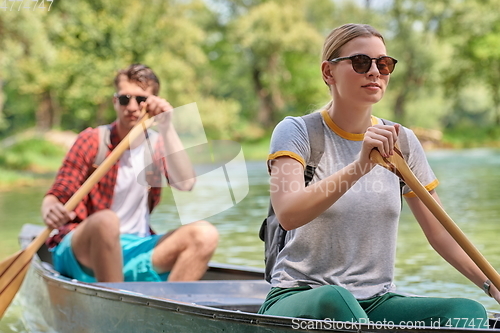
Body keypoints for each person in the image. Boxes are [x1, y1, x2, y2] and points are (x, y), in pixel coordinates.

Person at [258, 23, 498, 328]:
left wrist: (491, 285)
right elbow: (289, 214)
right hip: (300, 297)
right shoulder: (297, 131)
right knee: (337, 299)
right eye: (361, 62)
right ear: (328, 73)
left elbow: (440, 233)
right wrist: (361, 165)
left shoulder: (402, 140)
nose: (374, 72)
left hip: (377, 302)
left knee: (467, 313)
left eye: (383, 64)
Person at [41, 64, 219, 283]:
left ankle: (167, 313)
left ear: (152, 102)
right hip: (83, 250)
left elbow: (186, 183)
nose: (132, 107)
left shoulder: (157, 144)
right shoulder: (93, 140)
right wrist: (50, 208)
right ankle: (115, 302)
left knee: (205, 234)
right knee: (107, 221)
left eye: (141, 100)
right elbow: (57, 194)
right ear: (115, 101)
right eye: (125, 99)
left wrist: (166, 125)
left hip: (136, 247)